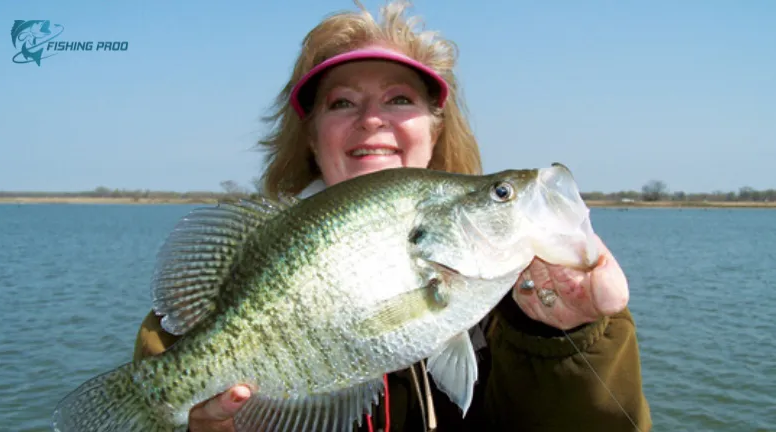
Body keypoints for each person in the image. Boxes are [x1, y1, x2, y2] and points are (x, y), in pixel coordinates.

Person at [133, 1, 653, 431]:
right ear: (311, 137)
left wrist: (566, 339)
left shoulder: (530, 296)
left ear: (436, 129)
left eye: (399, 99)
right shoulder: (183, 331)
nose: (372, 120)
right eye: (342, 103)